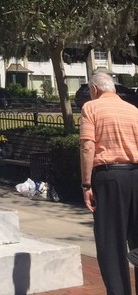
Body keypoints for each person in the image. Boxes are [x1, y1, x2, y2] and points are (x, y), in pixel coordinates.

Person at [80, 70, 138, 295]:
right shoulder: (133, 110)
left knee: (110, 243)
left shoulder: (91, 108)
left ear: (95, 89)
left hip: (110, 177)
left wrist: (86, 185)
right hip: (136, 175)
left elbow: (87, 146)